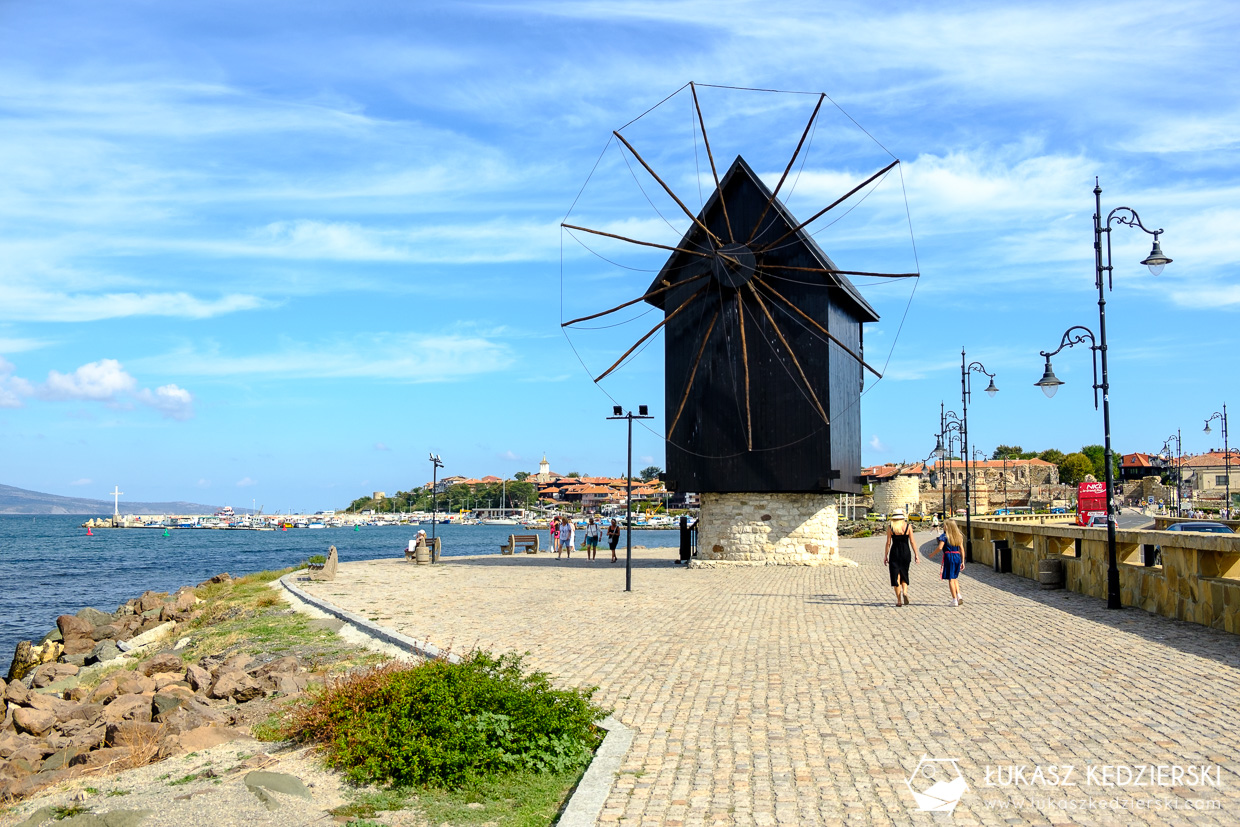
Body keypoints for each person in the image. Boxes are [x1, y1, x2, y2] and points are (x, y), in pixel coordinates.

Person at [883, 509, 918, 607]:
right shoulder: (908, 527)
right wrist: (916, 554)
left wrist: (886, 555)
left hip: (895, 553)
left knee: (896, 576)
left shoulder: (891, 527)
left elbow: (888, 543)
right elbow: (912, 541)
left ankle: (899, 601)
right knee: (904, 573)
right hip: (906, 553)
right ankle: (905, 592)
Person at [935, 518, 966, 606]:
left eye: (944, 525)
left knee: (950, 579)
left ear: (948, 527)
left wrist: (932, 554)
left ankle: (954, 600)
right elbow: (962, 549)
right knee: (955, 577)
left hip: (949, 557)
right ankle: (959, 595)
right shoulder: (958, 536)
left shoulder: (944, 536)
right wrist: (963, 561)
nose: (943, 527)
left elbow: (940, 547)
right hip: (957, 556)